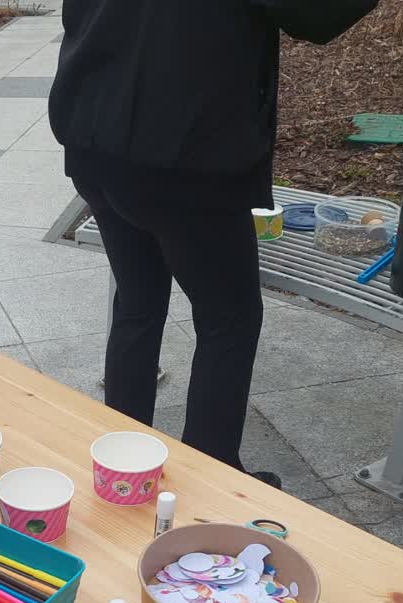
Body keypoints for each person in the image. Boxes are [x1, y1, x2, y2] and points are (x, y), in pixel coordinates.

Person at [49, 0, 377, 477]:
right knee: (229, 319)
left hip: (93, 140)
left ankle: (121, 465)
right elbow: (318, 15)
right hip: (185, 162)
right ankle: (212, 475)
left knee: (138, 301)